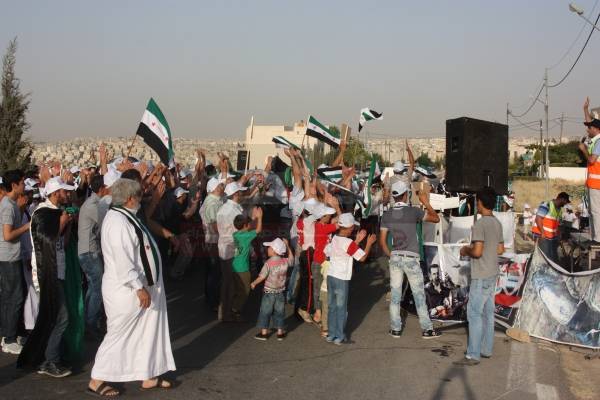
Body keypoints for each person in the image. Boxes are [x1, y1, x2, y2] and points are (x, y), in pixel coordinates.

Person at [88, 178, 175, 396]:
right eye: (138, 196)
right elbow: (123, 260)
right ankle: (97, 380)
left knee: (146, 331)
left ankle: (148, 374)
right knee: (120, 334)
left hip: (143, 286)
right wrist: (138, 287)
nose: (141, 200)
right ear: (129, 199)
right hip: (127, 290)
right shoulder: (117, 222)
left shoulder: (127, 216)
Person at [18, 177, 75, 377]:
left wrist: (67, 225)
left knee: (51, 317)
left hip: (57, 270)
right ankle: (50, 360)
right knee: (61, 317)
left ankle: (44, 357)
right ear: (55, 193)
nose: (67, 194)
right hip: (46, 273)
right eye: (64, 191)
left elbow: (61, 243)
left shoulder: (56, 212)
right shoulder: (42, 213)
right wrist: (61, 223)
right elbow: (45, 241)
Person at [379, 180, 442, 339]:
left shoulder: (387, 215)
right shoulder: (414, 212)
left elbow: (382, 242)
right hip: (411, 258)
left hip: (395, 257)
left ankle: (395, 329)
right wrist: (425, 202)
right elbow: (436, 219)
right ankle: (427, 329)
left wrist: (391, 255)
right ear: (406, 195)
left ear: (394, 196)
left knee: (395, 295)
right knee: (419, 295)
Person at [454, 187, 504, 366]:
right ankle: (486, 349)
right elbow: (500, 249)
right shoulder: (497, 223)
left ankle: (473, 354)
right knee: (488, 314)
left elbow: (477, 252)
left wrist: (465, 249)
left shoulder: (480, 224)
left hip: (481, 275)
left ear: (480, 203)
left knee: (474, 313)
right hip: (492, 273)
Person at [326, 213, 376, 345]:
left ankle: (331, 334)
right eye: (353, 227)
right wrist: (369, 243)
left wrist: (357, 241)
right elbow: (362, 257)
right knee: (341, 308)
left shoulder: (335, 238)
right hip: (341, 278)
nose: (354, 229)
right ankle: (339, 336)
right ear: (350, 227)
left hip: (331, 275)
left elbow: (337, 252)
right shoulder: (348, 242)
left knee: (332, 307)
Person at [0, 170, 30, 355]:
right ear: (14, 185)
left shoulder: (11, 204)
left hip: (13, 257)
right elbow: (7, 235)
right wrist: (27, 226)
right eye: (22, 182)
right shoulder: (7, 206)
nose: (24, 185)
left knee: (14, 296)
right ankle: (9, 338)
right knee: (14, 297)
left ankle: (13, 334)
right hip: (8, 258)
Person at [77, 174, 106, 338]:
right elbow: (106, 224)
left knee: (93, 287)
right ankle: (91, 324)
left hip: (88, 251)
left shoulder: (93, 203)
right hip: (89, 252)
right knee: (97, 288)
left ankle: (87, 321)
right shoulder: (93, 205)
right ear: (102, 188)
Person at [250, 238, 293, 341]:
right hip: (280, 292)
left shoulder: (268, 263)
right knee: (280, 312)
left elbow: (262, 276)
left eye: (269, 247)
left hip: (269, 292)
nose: (267, 249)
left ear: (274, 250)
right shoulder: (285, 261)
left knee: (265, 311)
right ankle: (280, 333)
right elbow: (292, 260)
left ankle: (264, 333)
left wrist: (254, 283)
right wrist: (287, 246)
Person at [216, 181, 247, 322]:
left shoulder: (223, 208)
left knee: (226, 281)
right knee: (232, 283)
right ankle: (227, 313)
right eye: (240, 192)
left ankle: (224, 312)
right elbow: (240, 231)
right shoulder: (235, 211)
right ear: (235, 194)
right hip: (232, 248)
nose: (242, 193)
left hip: (223, 246)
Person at [231, 207, 263, 318]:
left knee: (237, 289)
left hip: (234, 266)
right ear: (245, 225)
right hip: (243, 268)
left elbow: (248, 228)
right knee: (245, 290)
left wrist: (253, 218)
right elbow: (258, 230)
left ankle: (232, 307)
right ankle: (235, 309)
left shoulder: (235, 234)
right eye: (248, 224)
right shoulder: (246, 236)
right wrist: (260, 218)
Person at [199, 177, 225, 310]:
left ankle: (210, 298)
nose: (222, 187)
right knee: (214, 272)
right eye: (220, 185)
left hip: (213, 240)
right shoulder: (212, 203)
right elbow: (215, 227)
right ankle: (212, 301)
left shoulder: (214, 200)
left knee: (212, 271)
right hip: (214, 241)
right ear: (214, 188)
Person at [580, 97, 600, 243]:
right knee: (593, 212)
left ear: (596, 129)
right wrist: (585, 110)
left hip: (596, 184)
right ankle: (595, 237)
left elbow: (592, 160)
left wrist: (583, 150)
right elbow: (590, 122)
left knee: (596, 212)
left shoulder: (598, 142)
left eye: (589, 128)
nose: (587, 129)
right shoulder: (596, 140)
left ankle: (597, 239)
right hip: (593, 184)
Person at [531, 192, 570, 263]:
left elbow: (557, 224)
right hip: (542, 235)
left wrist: (558, 235)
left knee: (551, 257)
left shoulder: (559, 210)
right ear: (562, 199)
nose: (565, 204)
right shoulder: (547, 205)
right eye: (566, 201)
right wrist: (543, 233)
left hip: (551, 237)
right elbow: (538, 219)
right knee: (544, 258)